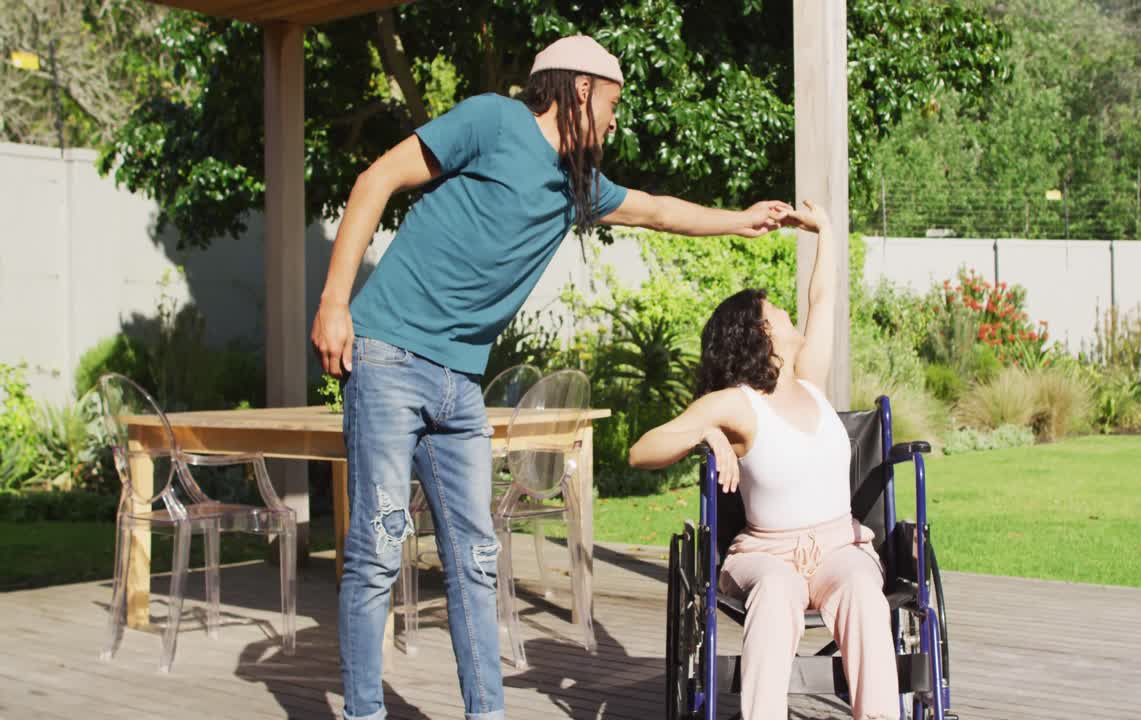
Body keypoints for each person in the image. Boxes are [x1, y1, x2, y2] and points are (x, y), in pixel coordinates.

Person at [310, 34, 793, 720]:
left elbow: (657, 210)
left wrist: (742, 221)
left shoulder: (577, 188)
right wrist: (334, 302)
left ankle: (487, 713)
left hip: (457, 383)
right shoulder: (492, 120)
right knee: (379, 549)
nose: (616, 121)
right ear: (582, 90)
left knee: (476, 560)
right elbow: (375, 180)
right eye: (614, 105)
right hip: (389, 354)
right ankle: (363, 712)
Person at [629, 201, 898, 720]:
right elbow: (643, 450)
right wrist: (706, 430)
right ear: (759, 334)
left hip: (840, 546)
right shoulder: (738, 402)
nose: (786, 310)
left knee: (864, 591)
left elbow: (823, 299)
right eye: (773, 309)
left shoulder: (810, 382)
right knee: (775, 594)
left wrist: (826, 232)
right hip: (768, 557)